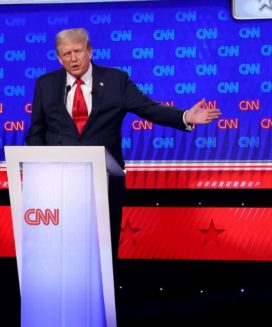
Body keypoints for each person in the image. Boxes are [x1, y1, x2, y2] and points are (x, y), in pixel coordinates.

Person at [25, 27, 221, 312]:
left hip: (105, 181)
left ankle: (103, 307)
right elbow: (36, 132)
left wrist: (184, 116)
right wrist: (37, 171)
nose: (74, 58)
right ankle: (62, 306)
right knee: (63, 251)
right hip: (59, 185)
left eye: (78, 51)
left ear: (89, 51)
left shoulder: (115, 80)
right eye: (66, 54)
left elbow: (148, 108)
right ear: (58, 57)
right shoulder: (45, 85)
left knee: (102, 251)